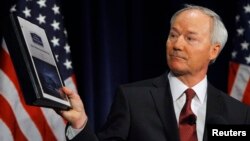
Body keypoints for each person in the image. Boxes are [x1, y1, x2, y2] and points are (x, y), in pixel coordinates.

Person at [60, 4, 250, 141]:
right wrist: (79, 124)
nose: (177, 45)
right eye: (173, 35)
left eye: (190, 38)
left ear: (213, 50)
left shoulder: (236, 114)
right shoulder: (133, 99)